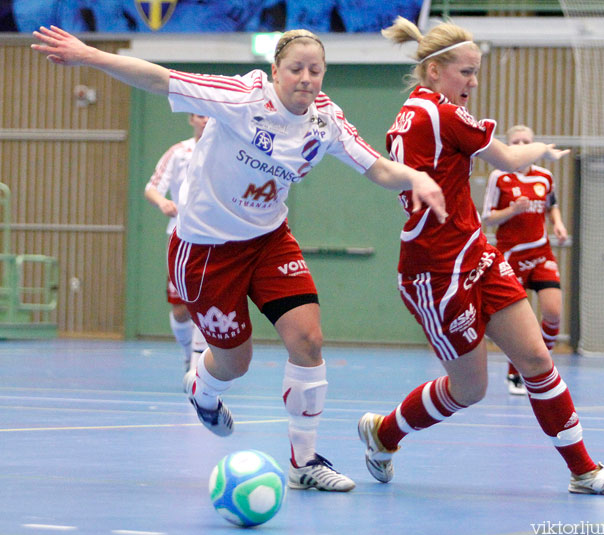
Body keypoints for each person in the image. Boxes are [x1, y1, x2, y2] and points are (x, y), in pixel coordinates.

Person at [32, 24, 447, 492]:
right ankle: (202, 389)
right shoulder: (241, 98)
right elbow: (158, 78)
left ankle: (304, 462)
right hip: (206, 250)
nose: (306, 78)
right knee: (235, 362)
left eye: (316, 70)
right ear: (276, 71)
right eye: (295, 69)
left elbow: (377, 166)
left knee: (308, 339)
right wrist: (89, 55)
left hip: (269, 241)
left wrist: (417, 179)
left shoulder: (324, 119)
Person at [357, 16, 604, 496]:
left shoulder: (412, 111)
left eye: (475, 71)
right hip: (435, 272)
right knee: (469, 390)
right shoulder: (442, 114)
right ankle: (384, 434)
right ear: (433, 72)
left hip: (477, 255)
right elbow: (507, 158)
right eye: (465, 72)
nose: (473, 82)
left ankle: (585, 471)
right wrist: (543, 150)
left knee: (534, 358)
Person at [482, 125, 568, 395]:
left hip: (541, 252)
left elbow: (551, 204)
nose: (520, 145)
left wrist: (558, 223)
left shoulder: (545, 176)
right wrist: (511, 210)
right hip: (511, 256)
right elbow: (487, 218)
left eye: (526, 141)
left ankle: (542, 368)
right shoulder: (499, 177)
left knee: (553, 311)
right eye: (515, 141)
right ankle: (514, 374)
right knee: (521, 323)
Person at [144, 113, 209, 375]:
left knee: (206, 301)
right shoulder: (178, 152)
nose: (205, 120)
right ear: (191, 119)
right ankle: (187, 354)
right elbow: (152, 187)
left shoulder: (229, 150)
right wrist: (163, 202)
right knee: (181, 309)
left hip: (217, 237)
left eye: (209, 116)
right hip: (182, 237)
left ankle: (199, 367)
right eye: (200, 115)